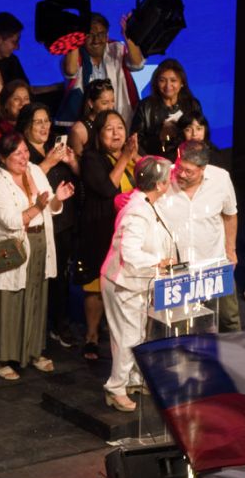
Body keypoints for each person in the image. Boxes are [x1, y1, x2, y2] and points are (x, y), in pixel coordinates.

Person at [0, 133, 74, 379]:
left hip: (39, 240)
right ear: (3, 158)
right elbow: (12, 222)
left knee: (35, 295)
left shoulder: (34, 170)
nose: (24, 157)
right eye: (17, 153)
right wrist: (40, 206)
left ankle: (32, 351)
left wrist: (58, 199)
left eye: (25, 151)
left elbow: (50, 205)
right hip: (10, 246)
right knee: (9, 300)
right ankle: (1, 358)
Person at [100, 156, 177, 412]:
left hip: (138, 281)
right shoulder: (136, 212)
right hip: (123, 282)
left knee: (138, 333)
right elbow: (130, 253)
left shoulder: (149, 203)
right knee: (127, 336)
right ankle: (116, 387)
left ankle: (133, 378)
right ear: (159, 184)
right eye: (167, 178)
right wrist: (159, 262)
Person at [77, 109, 139, 360]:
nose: (116, 133)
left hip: (128, 232)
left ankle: (120, 332)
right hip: (100, 229)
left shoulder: (132, 155)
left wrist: (135, 156)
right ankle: (91, 336)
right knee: (95, 286)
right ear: (98, 134)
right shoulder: (92, 158)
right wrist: (124, 157)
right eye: (109, 129)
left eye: (120, 128)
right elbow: (106, 188)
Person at [159, 140, 241, 332]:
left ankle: (235, 357)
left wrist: (231, 250)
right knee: (180, 326)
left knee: (228, 319)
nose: (181, 174)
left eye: (189, 171)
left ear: (203, 168)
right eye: (179, 167)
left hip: (214, 264)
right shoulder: (163, 178)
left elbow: (230, 215)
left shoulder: (221, 179)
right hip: (178, 270)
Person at [18, 103, 79, 348]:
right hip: (36, 224)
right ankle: (36, 332)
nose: (44, 127)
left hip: (63, 220)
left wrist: (73, 162)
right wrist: (50, 163)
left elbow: (76, 178)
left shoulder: (56, 146)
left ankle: (59, 325)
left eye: (46, 121)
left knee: (62, 276)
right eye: (38, 122)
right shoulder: (23, 153)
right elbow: (24, 182)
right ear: (26, 127)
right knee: (40, 279)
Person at [56, 12, 145, 129]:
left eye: (101, 34)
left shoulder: (116, 49)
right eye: (90, 35)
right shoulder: (76, 54)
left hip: (119, 121)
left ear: (107, 35)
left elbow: (137, 64)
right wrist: (74, 38)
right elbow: (71, 71)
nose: (96, 39)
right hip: (86, 125)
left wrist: (128, 37)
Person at [131, 59, 202, 159]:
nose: (168, 85)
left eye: (173, 80)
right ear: (156, 83)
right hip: (155, 160)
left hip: (188, 158)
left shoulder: (192, 104)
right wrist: (160, 137)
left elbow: (201, 134)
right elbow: (136, 142)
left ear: (182, 83)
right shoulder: (145, 106)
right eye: (162, 80)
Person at [0, 79, 31, 171]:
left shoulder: (33, 126)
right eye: (16, 99)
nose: (23, 104)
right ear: (5, 104)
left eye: (26, 99)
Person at [68, 78, 116, 157]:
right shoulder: (78, 130)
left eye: (113, 101)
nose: (110, 107)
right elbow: (79, 164)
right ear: (90, 103)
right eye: (104, 103)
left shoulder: (114, 121)